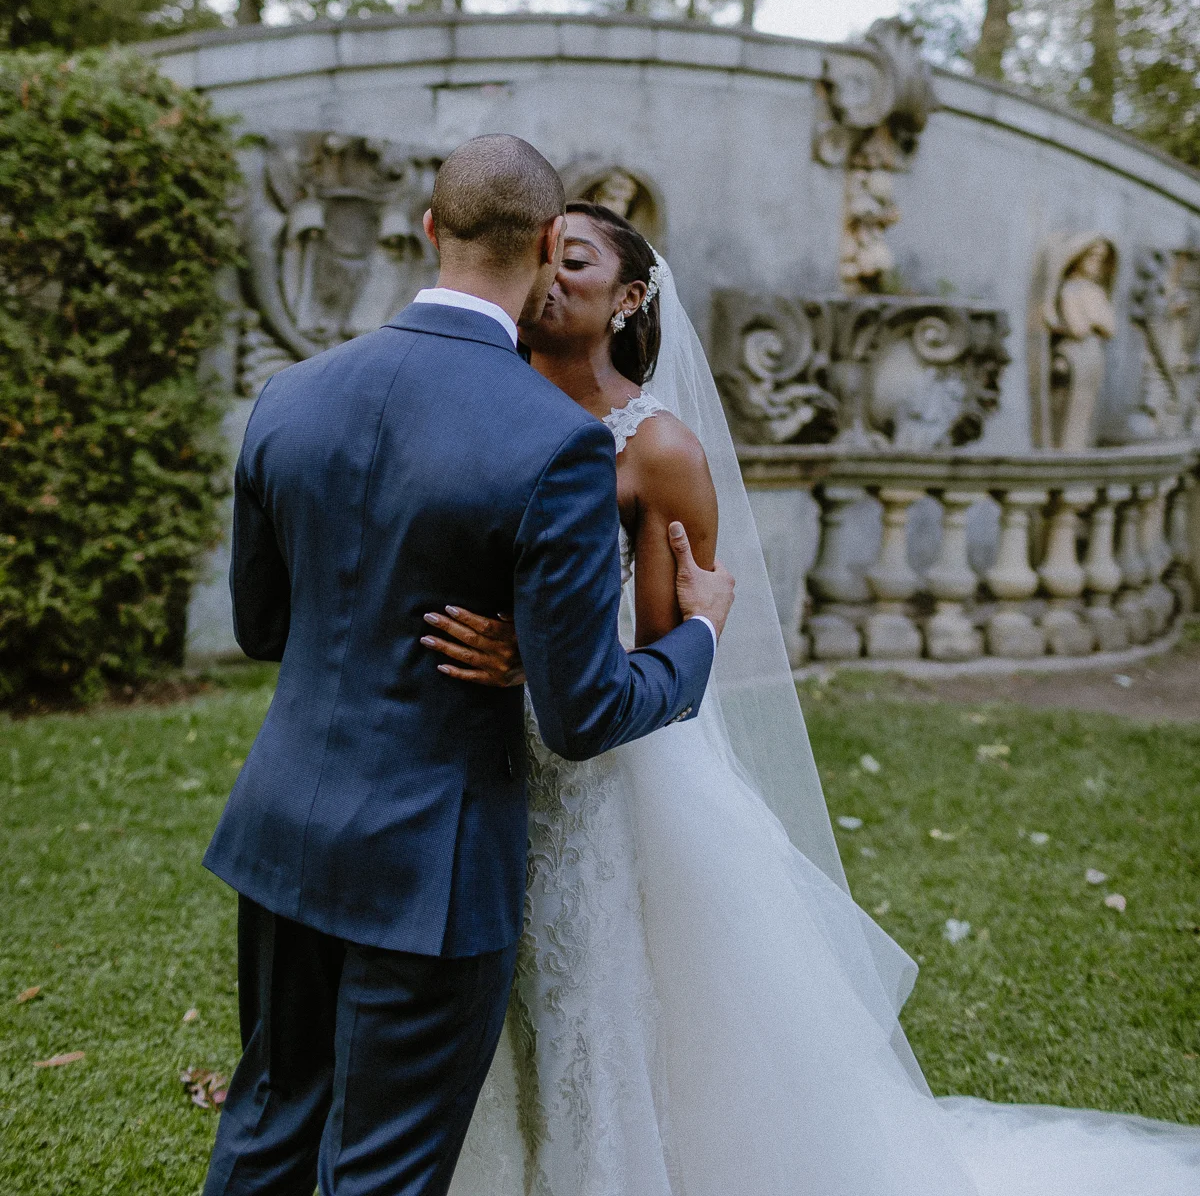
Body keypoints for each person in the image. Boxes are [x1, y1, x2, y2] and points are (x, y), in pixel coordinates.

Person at [423, 204, 1200, 1196]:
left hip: (590, 778)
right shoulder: (479, 396)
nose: (550, 275)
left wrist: (538, 661)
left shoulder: (657, 450)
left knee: (582, 1001)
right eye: (543, 257)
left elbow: (662, 660)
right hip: (461, 756)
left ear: (628, 299)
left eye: (575, 261)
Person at [199, 137, 736, 1196]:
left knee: (267, 1129)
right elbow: (585, 716)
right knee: (383, 1169)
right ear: (547, 241)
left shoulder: (290, 394)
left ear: (429, 229)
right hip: (430, 864)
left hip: (283, 831)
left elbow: (264, 630)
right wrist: (701, 635)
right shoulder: (557, 442)